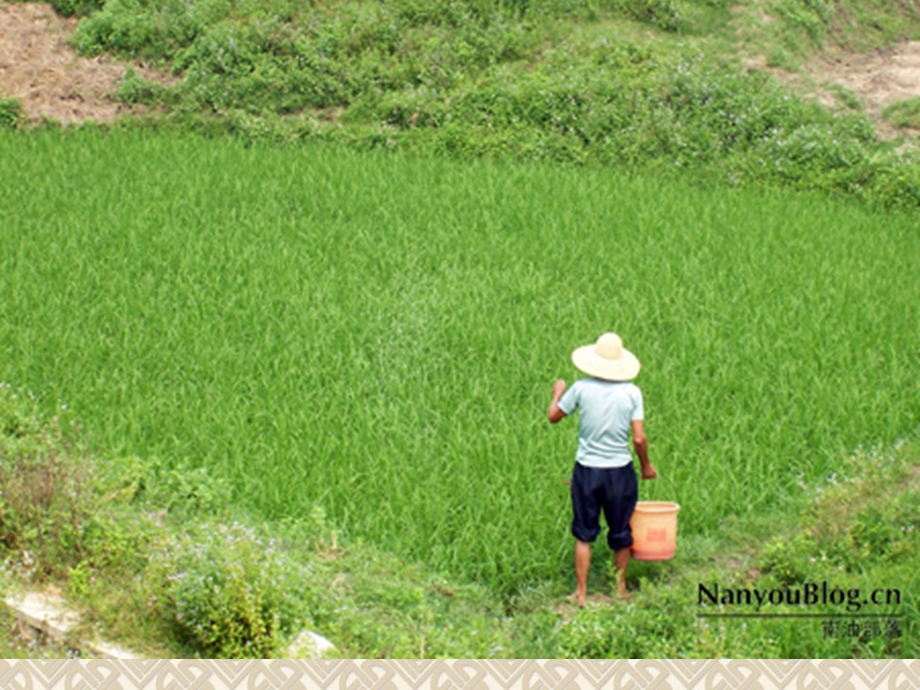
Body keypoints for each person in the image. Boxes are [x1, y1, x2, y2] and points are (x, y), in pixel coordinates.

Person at [547, 332, 657, 607]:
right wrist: (646, 465)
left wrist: (558, 393)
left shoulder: (581, 388)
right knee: (621, 531)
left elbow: (553, 417)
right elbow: (639, 438)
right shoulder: (632, 392)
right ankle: (619, 589)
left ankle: (581, 593)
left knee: (584, 533)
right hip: (620, 471)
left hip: (587, 470)